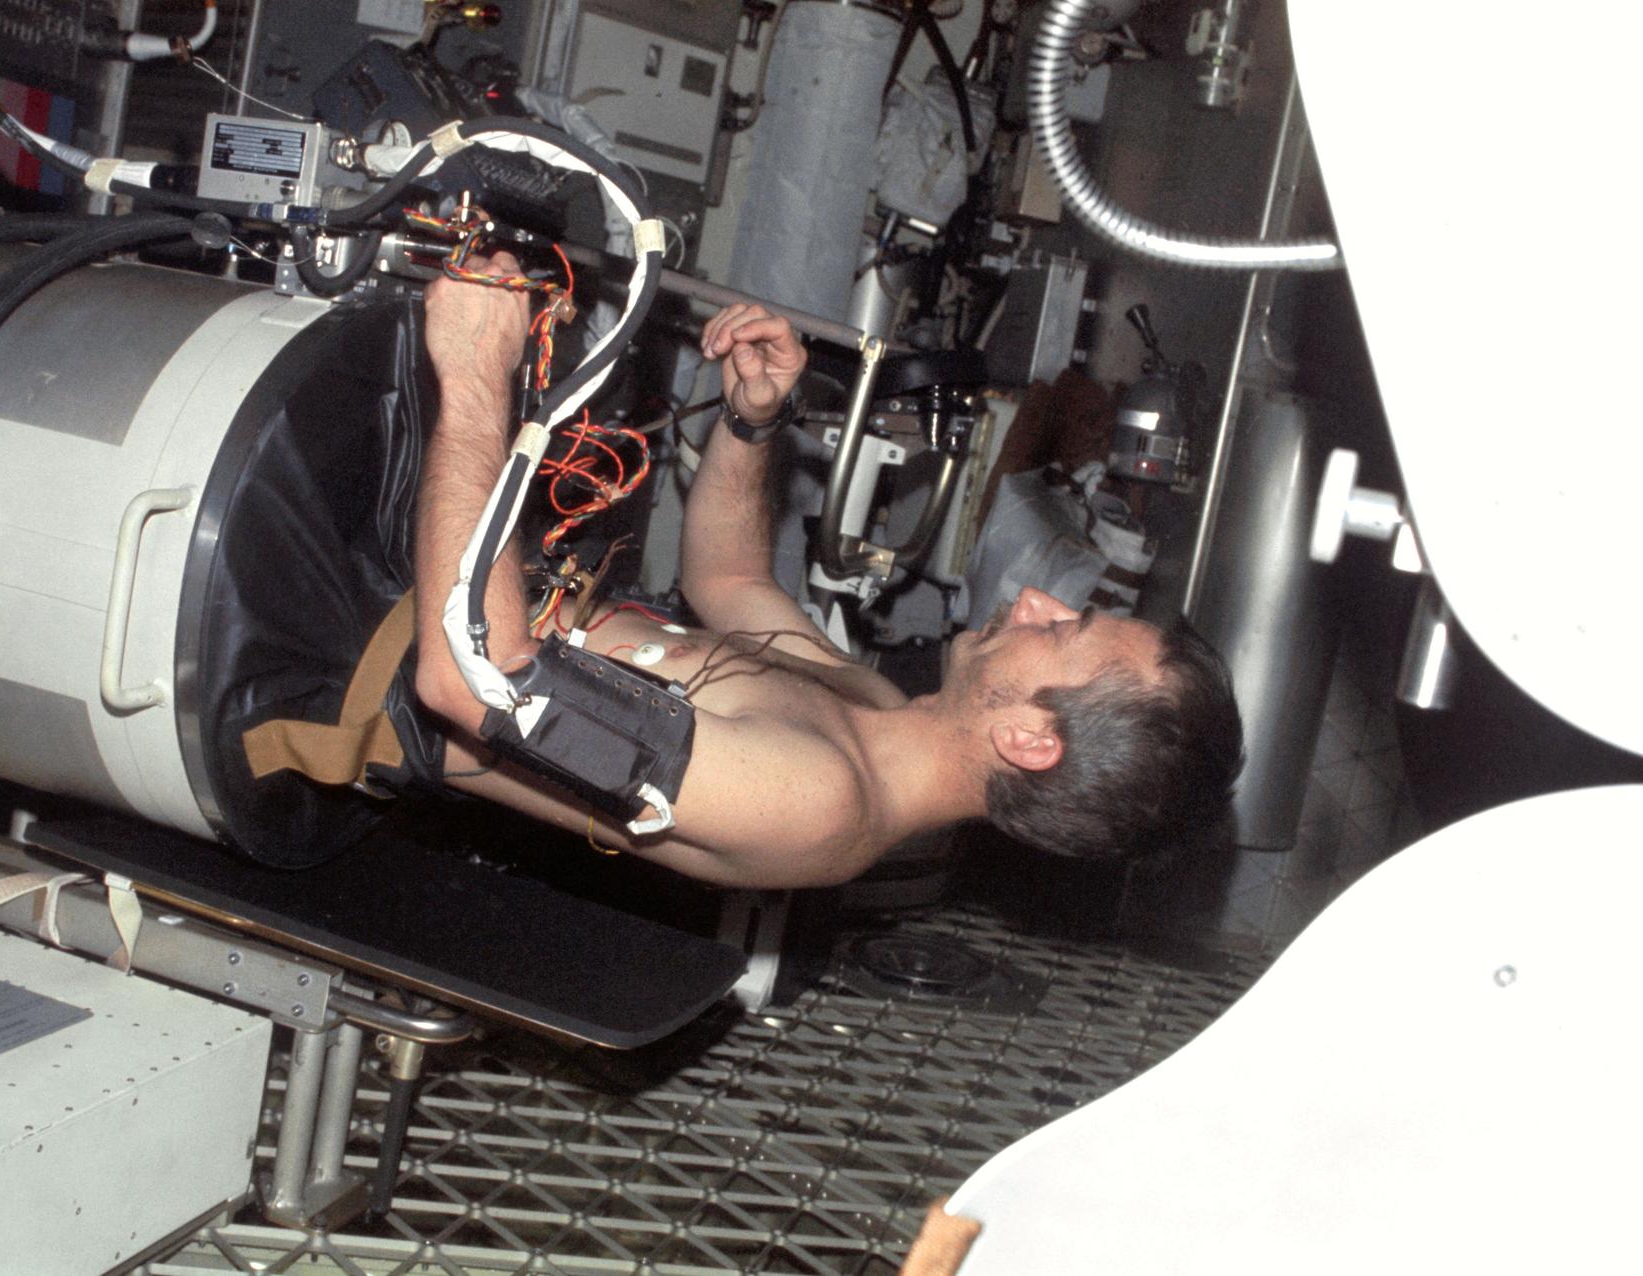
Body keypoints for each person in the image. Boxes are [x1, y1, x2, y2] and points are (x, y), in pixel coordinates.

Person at [412, 253, 1243, 888]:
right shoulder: (879, 713)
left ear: (1030, 740)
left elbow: (470, 681)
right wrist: (753, 420)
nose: (1032, 600)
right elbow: (730, 581)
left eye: (1062, 629)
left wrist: (481, 380)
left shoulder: (820, 802)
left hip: (360, 650)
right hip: (460, 585)